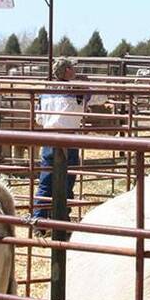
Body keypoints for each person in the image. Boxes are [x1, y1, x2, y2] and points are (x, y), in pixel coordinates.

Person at [33, 57, 103, 219]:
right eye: (72, 67)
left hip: (49, 139)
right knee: (67, 180)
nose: (75, 70)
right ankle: (62, 218)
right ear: (67, 71)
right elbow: (101, 97)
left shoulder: (46, 92)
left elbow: (39, 119)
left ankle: (39, 219)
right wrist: (88, 84)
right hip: (69, 140)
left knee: (46, 181)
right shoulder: (77, 91)